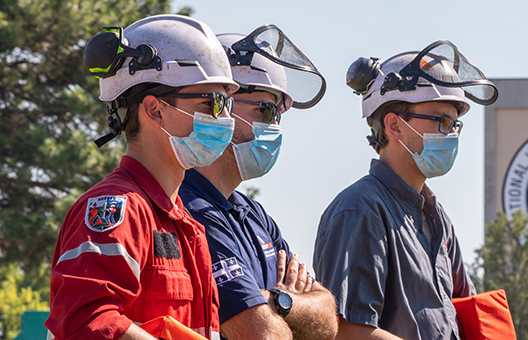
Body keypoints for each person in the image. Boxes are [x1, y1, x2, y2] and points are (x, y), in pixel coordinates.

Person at [45, 14, 239, 340]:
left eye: (227, 103)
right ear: (154, 110)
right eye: (212, 102)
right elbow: (87, 323)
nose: (225, 117)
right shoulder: (117, 210)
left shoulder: (186, 225)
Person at [313, 41, 499, 340]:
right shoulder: (360, 210)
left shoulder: (436, 216)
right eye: (441, 121)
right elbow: (349, 332)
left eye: (454, 125)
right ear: (394, 125)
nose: (450, 134)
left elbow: (463, 309)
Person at [179, 25, 337, 340]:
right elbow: (263, 335)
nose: (275, 125)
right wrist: (289, 307)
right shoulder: (186, 206)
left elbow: (329, 320)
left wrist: (278, 300)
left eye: (280, 114)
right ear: (220, 106)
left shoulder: (255, 215)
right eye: (266, 110)